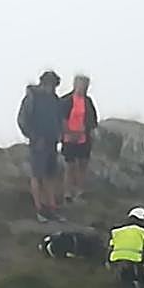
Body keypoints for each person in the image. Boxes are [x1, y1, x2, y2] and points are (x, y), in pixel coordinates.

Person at [17, 70, 65, 222]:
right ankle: (40, 209)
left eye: (54, 86)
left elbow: (58, 118)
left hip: (52, 142)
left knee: (50, 175)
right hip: (38, 142)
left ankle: (51, 208)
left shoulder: (54, 99)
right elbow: (22, 119)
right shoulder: (32, 98)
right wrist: (33, 136)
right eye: (51, 85)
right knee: (37, 175)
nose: (52, 88)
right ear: (44, 83)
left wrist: (59, 134)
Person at [60, 75, 99, 204]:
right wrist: (69, 132)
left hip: (84, 137)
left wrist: (88, 130)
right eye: (82, 85)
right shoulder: (66, 100)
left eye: (86, 85)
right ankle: (67, 193)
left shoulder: (88, 101)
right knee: (70, 166)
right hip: (69, 137)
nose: (84, 88)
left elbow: (93, 119)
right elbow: (62, 119)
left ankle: (80, 191)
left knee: (83, 164)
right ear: (75, 85)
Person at [108, 206, 144, 288]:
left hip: (115, 263)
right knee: (140, 286)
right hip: (134, 263)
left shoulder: (116, 231)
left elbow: (111, 247)